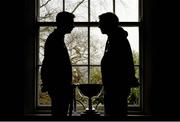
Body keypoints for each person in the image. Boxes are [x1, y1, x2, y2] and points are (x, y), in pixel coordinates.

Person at [98, 12, 138, 118]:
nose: (99, 26)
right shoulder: (114, 39)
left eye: (101, 23)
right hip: (114, 88)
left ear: (109, 24)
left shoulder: (118, 41)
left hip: (116, 89)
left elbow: (124, 65)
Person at [40, 11, 75, 118]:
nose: (73, 25)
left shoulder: (56, 38)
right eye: (71, 23)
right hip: (59, 87)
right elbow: (51, 64)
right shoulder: (55, 39)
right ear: (64, 23)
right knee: (59, 115)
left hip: (59, 86)